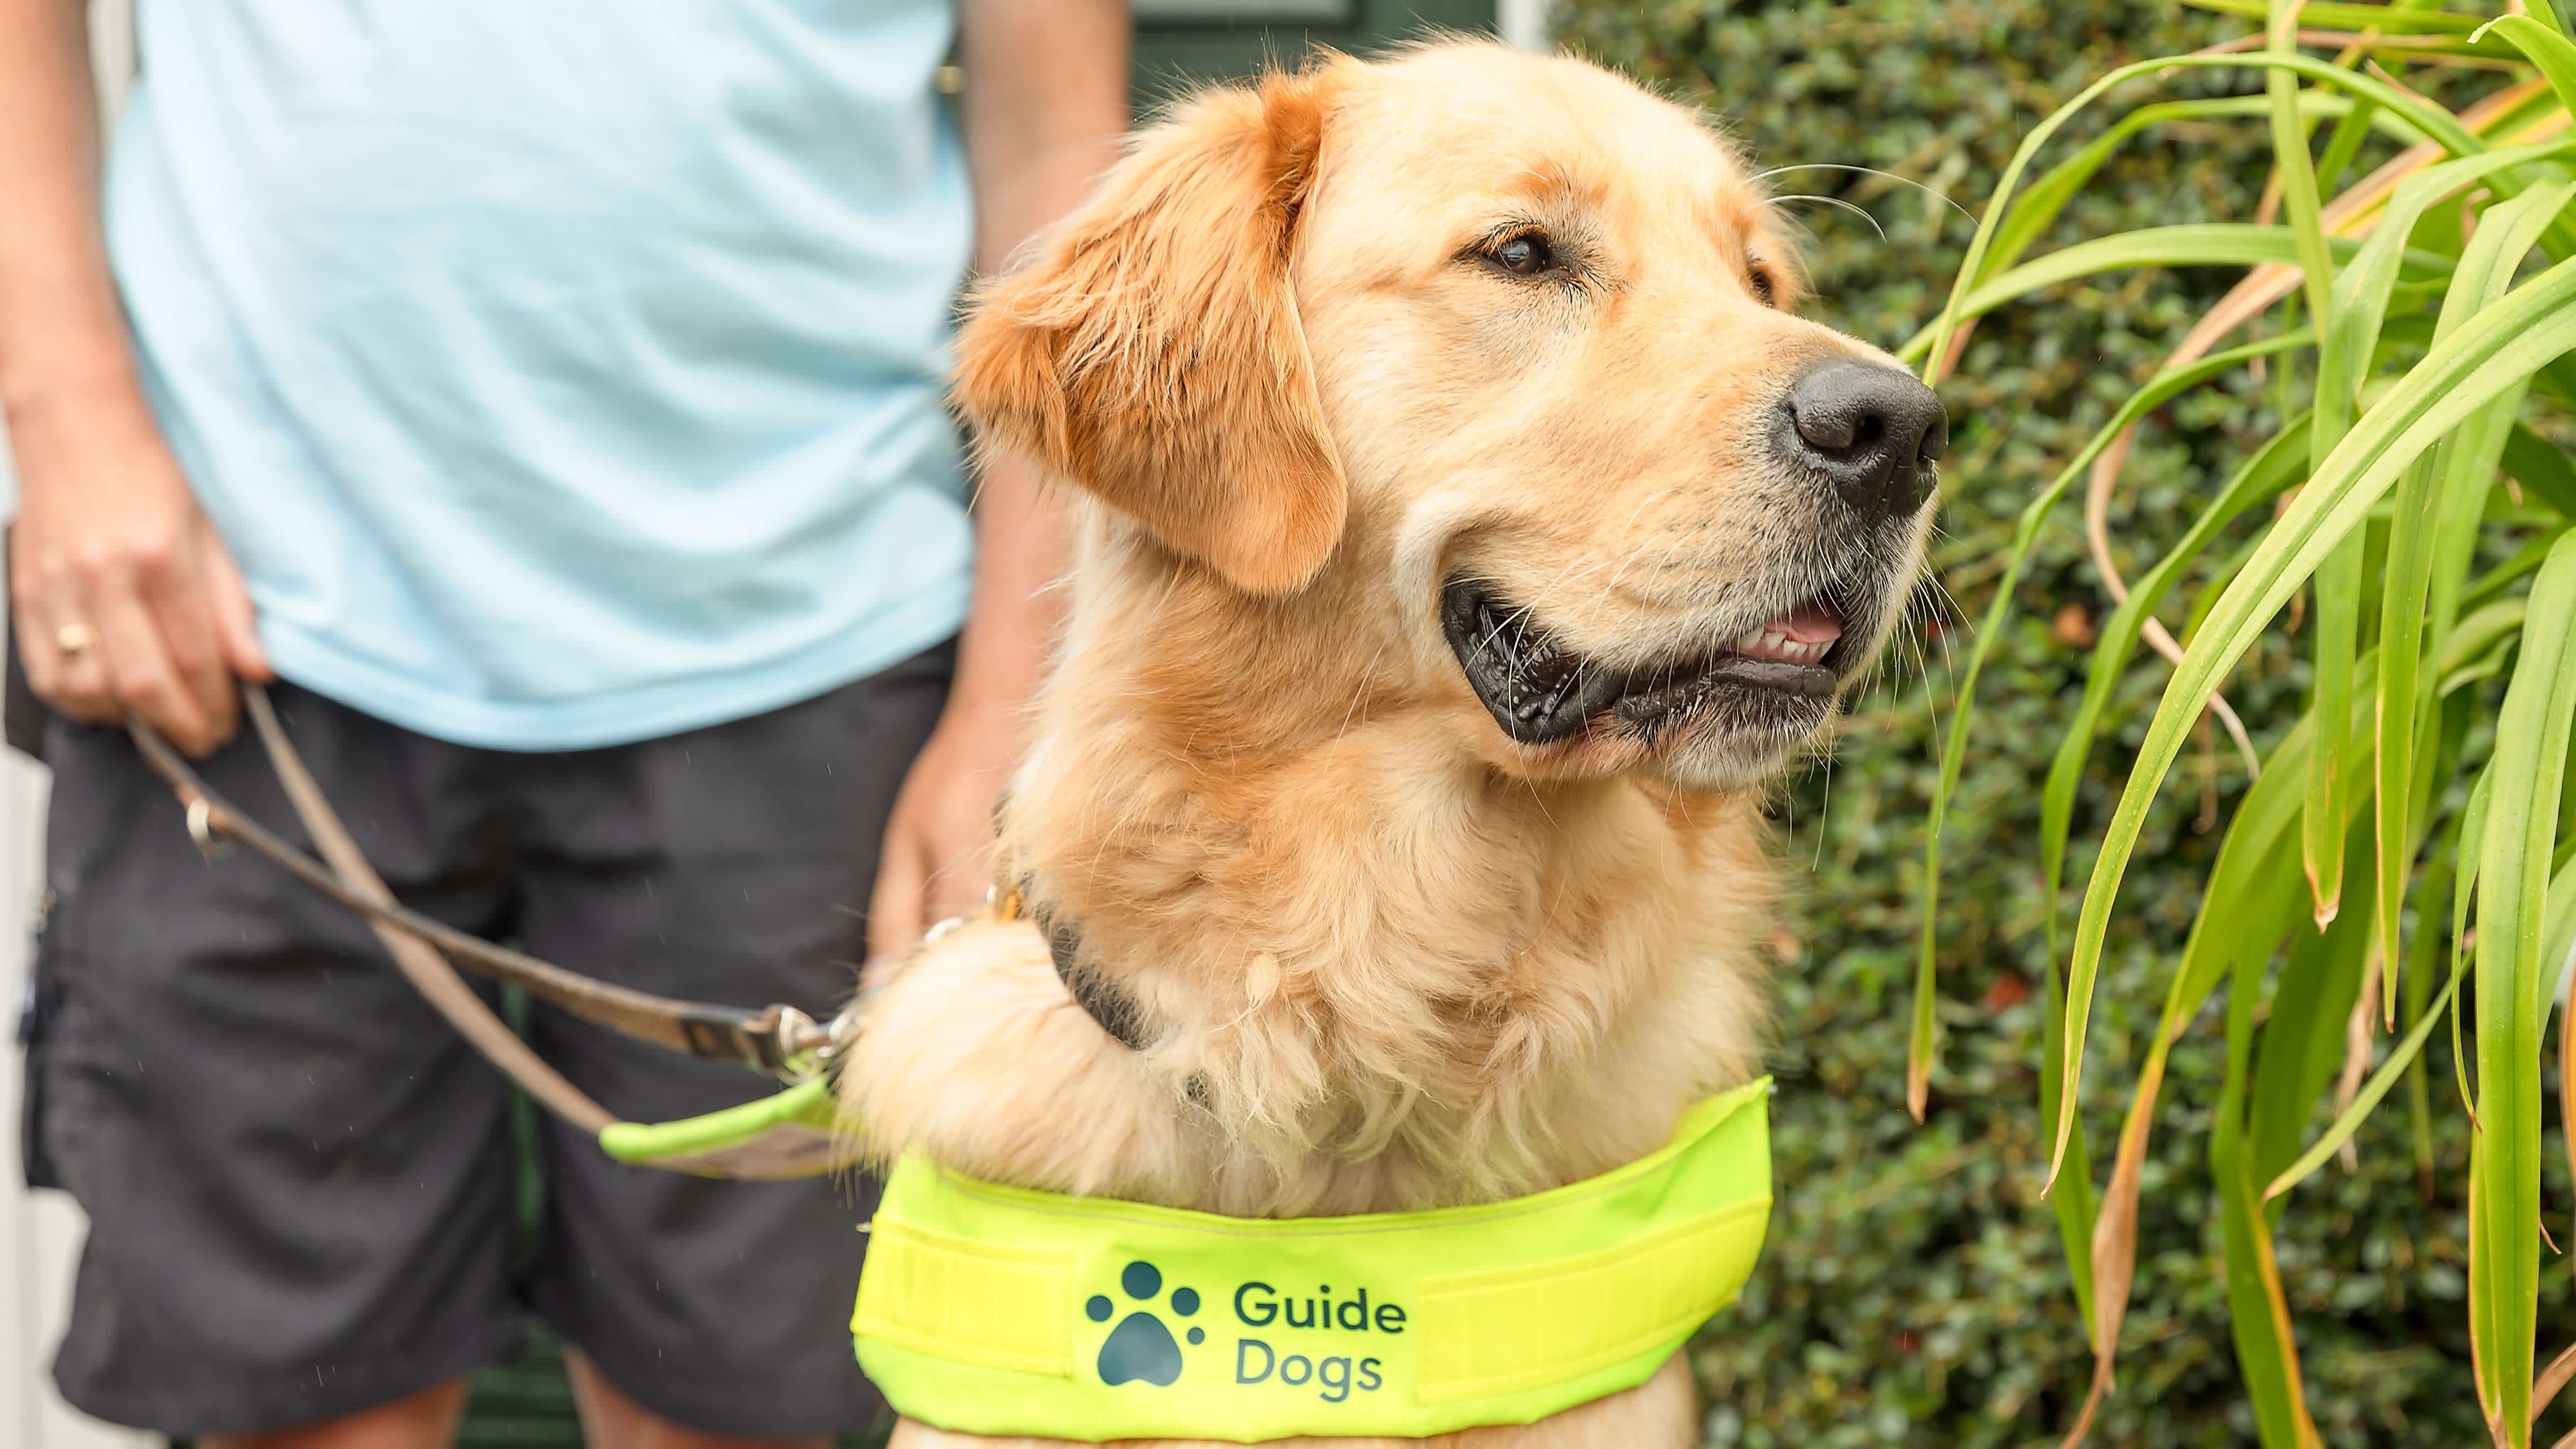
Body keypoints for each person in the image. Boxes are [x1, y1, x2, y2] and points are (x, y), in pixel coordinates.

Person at [0, 1, 1129, 1445]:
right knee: (300, 1415)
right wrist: (67, 419)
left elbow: (1057, 150)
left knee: (740, 1416)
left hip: (814, 631)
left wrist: (1015, 708)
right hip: (250, 618)